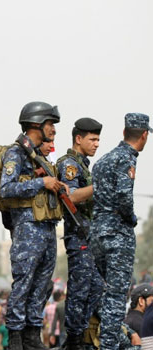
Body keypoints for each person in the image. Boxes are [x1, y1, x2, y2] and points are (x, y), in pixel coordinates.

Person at [0, 101, 66, 350]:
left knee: (41, 286)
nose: (53, 130)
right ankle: (16, 336)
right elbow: (6, 189)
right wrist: (42, 184)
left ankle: (31, 335)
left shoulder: (40, 157)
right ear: (36, 123)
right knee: (24, 283)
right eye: (50, 124)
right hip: (28, 228)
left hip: (47, 228)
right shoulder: (16, 153)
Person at [90, 113, 151, 350]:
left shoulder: (103, 160)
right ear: (144, 135)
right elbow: (124, 197)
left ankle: (110, 341)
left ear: (124, 132)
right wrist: (131, 219)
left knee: (106, 294)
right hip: (117, 235)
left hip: (98, 233)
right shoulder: (127, 159)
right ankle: (109, 346)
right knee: (116, 297)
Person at [55, 117, 104, 350]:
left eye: (98, 139)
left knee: (94, 287)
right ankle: (73, 340)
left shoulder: (83, 165)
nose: (96, 144)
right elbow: (71, 197)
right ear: (78, 139)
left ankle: (80, 335)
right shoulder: (70, 164)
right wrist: (100, 186)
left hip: (89, 237)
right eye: (92, 139)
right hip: (78, 236)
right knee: (80, 289)